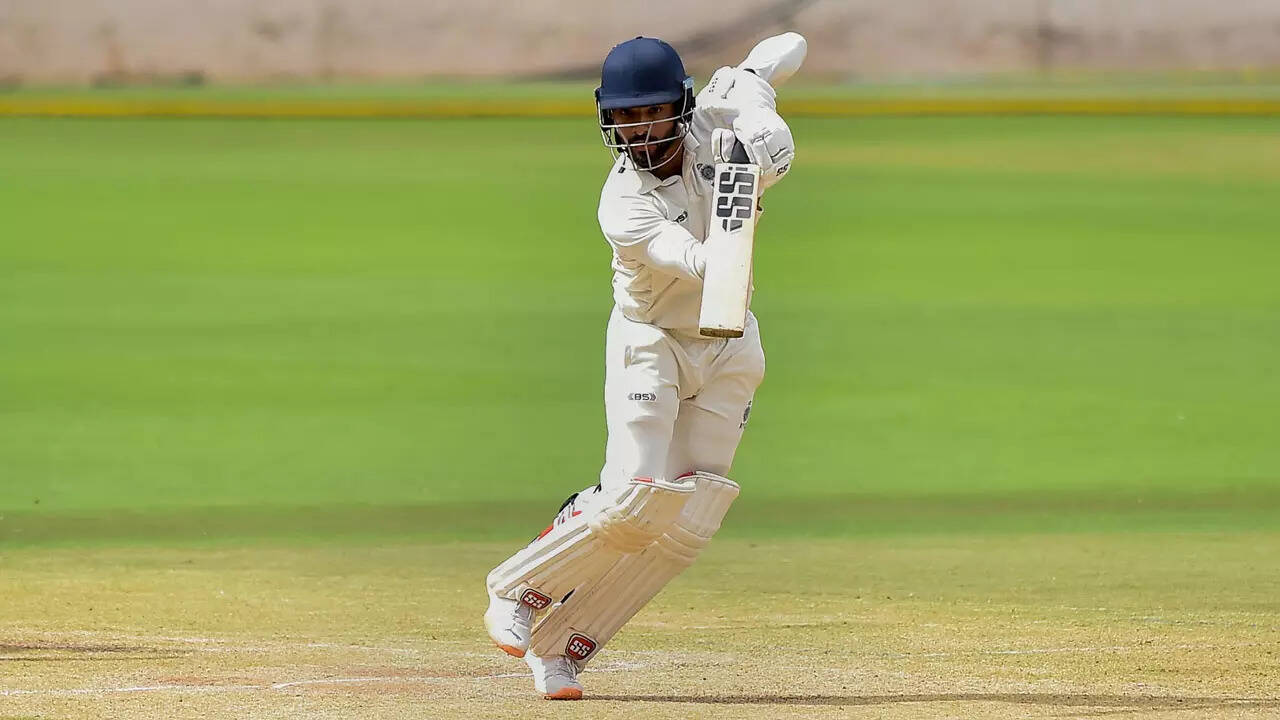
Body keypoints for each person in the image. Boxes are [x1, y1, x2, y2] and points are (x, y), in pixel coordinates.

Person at [482, 32, 805, 700]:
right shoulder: (622, 203)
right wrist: (737, 216)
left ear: (681, 106)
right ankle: (516, 588)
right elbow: (692, 259)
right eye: (625, 117)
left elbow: (781, 51)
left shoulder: (717, 120)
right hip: (651, 341)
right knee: (635, 501)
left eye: (652, 112)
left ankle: (563, 649)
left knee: (689, 519)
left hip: (729, 342)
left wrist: (766, 126)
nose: (639, 130)